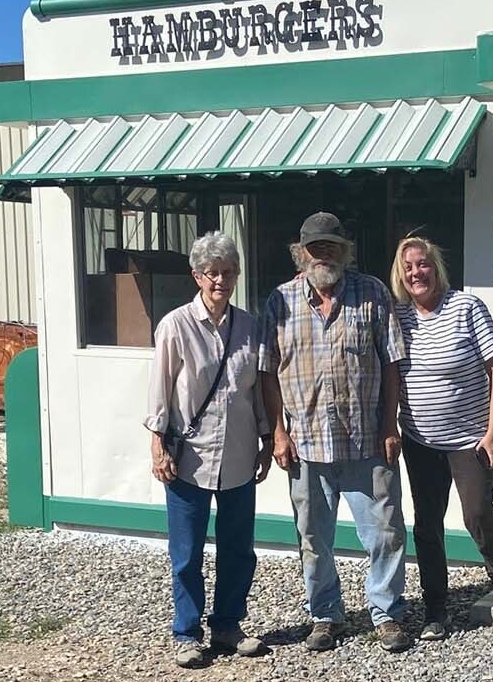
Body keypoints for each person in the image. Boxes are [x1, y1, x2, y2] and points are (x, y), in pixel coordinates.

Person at [259, 212, 414, 654]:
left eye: (331, 245)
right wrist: (277, 433)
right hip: (305, 443)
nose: (323, 254)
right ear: (300, 253)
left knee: (385, 532)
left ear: (345, 250)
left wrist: (390, 426)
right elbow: (268, 372)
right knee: (312, 538)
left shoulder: (372, 293)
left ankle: (386, 612)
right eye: (315, 247)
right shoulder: (280, 301)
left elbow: (391, 363)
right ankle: (325, 615)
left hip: (366, 439)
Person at [144, 231, 272, 669]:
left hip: (237, 453)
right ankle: (187, 633)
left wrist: (266, 439)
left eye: (228, 272)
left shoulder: (249, 325)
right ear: (197, 276)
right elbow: (159, 394)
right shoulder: (176, 326)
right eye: (212, 273)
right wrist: (158, 447)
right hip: (189, 458)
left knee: (239, 548)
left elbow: (254, 391)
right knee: (187, 552)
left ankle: (228, 625)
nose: (221, 280)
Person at [389, 236, 493, 641]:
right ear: (401, 274)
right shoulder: (399, 316)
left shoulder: (466, 307)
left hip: (469, 439)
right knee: (427, 525)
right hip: (419, 440)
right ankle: (435, 609)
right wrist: (390, 426)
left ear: (436, 267)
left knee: (477, 512)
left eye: (423, 264)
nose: (417, 272)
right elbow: (393, 374)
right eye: (408, 267)